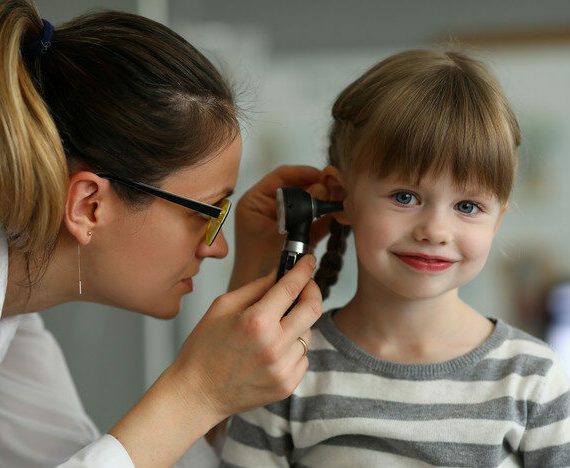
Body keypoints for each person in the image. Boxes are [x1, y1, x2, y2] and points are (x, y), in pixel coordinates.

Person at [0, 1, 327, 466]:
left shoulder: (16, 328)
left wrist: (250, 279)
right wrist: (197, 390)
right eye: (207, 213)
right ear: (89, 206)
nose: (218, 247)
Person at [220, 49, 570, 466]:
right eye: (405, 197)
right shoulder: (284, 368)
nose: (436, 231)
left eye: (468, 207)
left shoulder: (534, 379)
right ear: (340, 196)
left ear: (497, 220)